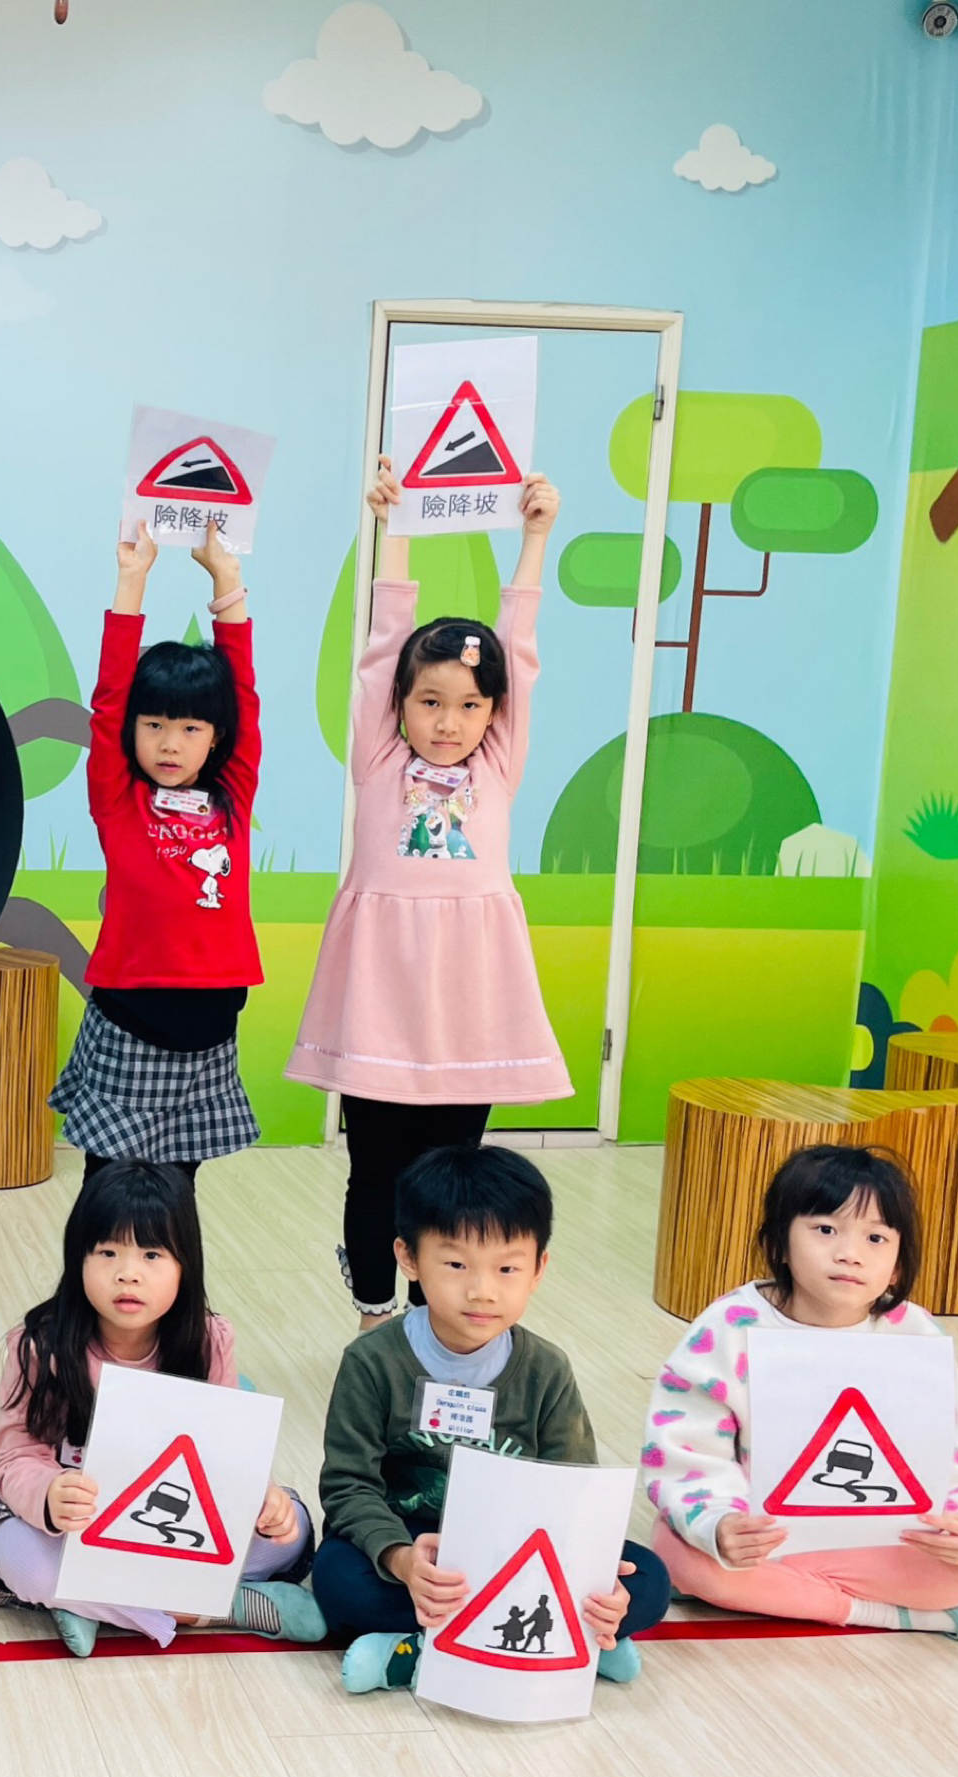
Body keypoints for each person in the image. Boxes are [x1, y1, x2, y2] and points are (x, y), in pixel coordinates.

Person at [285, 457, 572, 1323]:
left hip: (467, 1000)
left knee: (449, 1175)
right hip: (382, 994)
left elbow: (521, 653)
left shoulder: (497, 765)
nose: (449, 722)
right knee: (375, 1167)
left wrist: (535, 538)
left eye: (470, 705)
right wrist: (395, 528)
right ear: (402, 706)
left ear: (493, 713)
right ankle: (375, 1314)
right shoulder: (379, 759)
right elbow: (381, 648)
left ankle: (431, 1319)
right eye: (430, 702)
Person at [312, 1142, 669, 1692]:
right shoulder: (372, 1362)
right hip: (413, 1541)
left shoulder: (546, 1368)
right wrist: (402, 1559)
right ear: (408, 1257)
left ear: (538, 1268)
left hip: (517, 1547)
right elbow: (348, 1485)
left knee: (648, 1581)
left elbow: (573, 1485)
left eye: (507, 1268)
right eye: (456, 1265)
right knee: (338, 1580)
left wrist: (594, 1570)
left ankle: (422, 1645)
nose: (482, 1291)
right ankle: (556, 1638)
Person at [0, 1160, 325, 1656]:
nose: (128, 1274)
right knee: (17, 1556)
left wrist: (261, 1498)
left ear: (186, 1265)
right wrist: (49, 1493)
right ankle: (220, 1609)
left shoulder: (209, 1339)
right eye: (107, 1252)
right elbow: (17, 1454)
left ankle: (88, 1603)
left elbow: (226, 1456)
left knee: (294, 1531)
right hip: (76, 1524)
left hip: (169, 1524)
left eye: (152, 1254)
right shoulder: (41, 1346)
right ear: (78, 1258)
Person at [645, 1144, 958, 1641]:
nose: (849, 1253)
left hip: (877, 1544)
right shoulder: (730, 1327)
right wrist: (721, 1526)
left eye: (876, 1238)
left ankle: (793, 1597)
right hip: (763, 1540)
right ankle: (911, 1616)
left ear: (898, 1264)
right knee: (678, 1553)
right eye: (825, 1230)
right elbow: (686, 1451)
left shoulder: (915, 1334)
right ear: (779, 1242)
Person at [47, 521, 261, 1192]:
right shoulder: (119, 797)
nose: (170, 743)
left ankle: (177, 1272)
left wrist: (227, 580)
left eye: (190, 727)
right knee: (110, 1183)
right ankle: (94, 1269)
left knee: (177, 1186)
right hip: (129, 1018)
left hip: (211, 1028)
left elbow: (244, 700)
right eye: (155, 725)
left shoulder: (231, 793)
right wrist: (132, 581)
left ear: (216, 737)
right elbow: (109, 702)